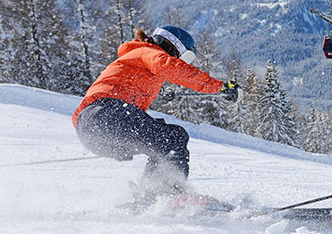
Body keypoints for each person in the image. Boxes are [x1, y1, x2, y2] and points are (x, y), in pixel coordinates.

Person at [72, 25, 239, 200]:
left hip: (92, 127)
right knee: (173, 138)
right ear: (172, 46)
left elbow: (128, 94)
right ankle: (169, 195)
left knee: (163, 143)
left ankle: (151, 196)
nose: (182, 60)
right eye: (184, 56)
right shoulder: (147, 51)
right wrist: (219, 87)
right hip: (105, 115)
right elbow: (170, 66)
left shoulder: (137, 57)